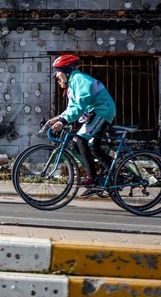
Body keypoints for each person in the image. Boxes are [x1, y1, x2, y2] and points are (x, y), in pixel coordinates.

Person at [49, 54, 116, 197]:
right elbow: (72, 107)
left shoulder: (79, 80)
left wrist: (63, 121)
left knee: (80, 139)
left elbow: (79, 106)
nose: (56, 76)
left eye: (57, 72)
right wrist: (58, 118)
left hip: (102, 111)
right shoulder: (73, 83)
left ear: (66, 71)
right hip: (97, 112)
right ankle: (112, 172)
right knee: (87, 145)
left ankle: (92, 178)